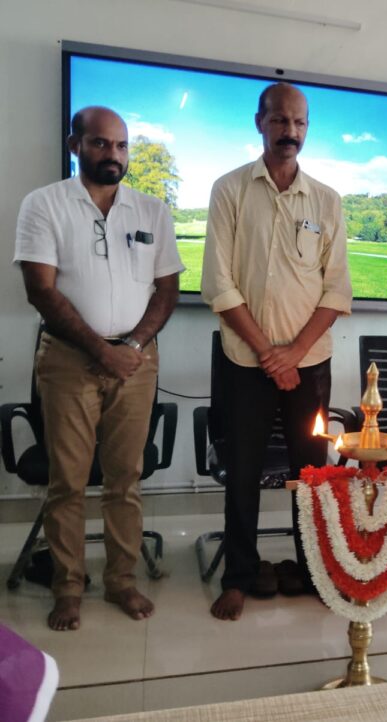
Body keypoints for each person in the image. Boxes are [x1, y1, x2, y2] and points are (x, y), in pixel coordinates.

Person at [14, 106, 183, 631]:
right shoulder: (44, 204)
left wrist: (130, 345)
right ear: (76, 145)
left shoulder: (152, 210)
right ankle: (67, 587)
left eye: (121, 145)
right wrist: (100, 349)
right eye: (101, 143)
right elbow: (40, 290)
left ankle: (121, 581)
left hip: (136, 360)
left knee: (125, 479)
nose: (113, 154)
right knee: (67, 482)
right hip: (69, 360)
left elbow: (167, 290)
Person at [202, 82, 352, 621]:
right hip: (246, 361)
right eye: (281, 120)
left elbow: (336, 290)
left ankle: (314, 570)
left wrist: (293, 354)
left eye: (300, 122)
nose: (291, 131)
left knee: (312, 474)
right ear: (259, 122)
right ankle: (239, 576)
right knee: (242, 471)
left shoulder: (326, 200)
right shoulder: (230, 190)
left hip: (309, 364)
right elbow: (218, 285)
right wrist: (270, 353)